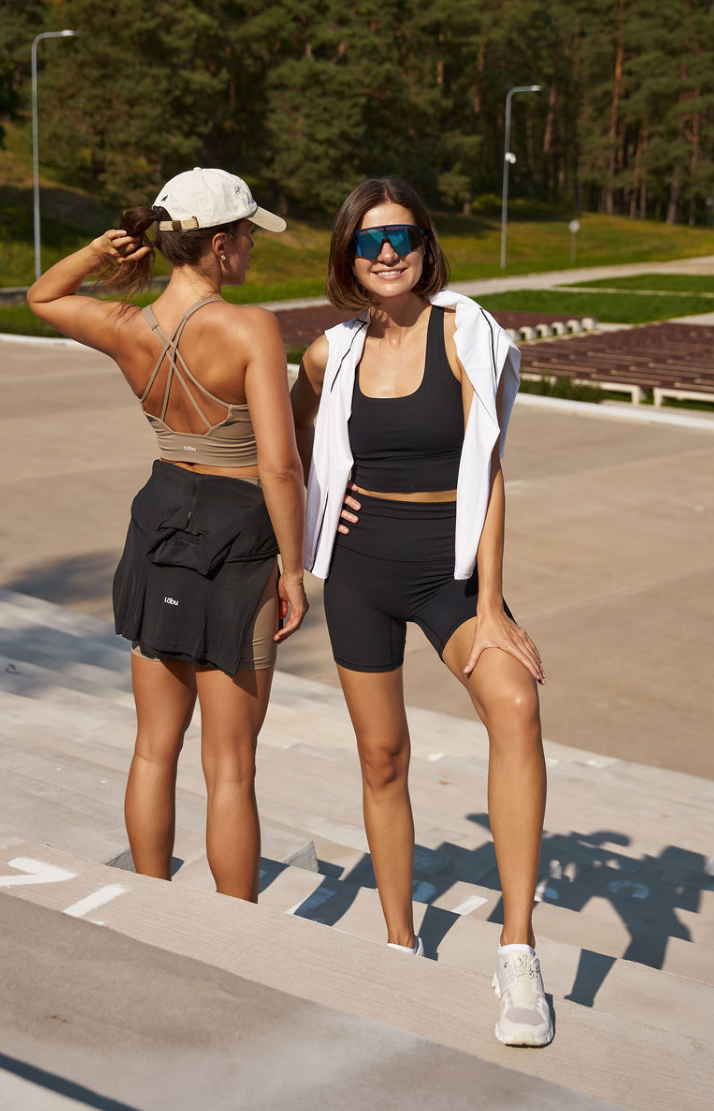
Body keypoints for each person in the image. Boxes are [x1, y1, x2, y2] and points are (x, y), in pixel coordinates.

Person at [291, 176, 553, 1047]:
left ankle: (516, 950)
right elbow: (296, 433)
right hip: (362, 570)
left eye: (400, 236)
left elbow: (493, 465)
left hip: (451, 571)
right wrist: (323, 506)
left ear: (424, 243)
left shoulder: (464, 329)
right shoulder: (330, 354)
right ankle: (399, 943)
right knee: (381, 756)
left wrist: (491, 604)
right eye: (368, 242)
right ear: (348, 257)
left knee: (515, 705)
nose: (387, 253)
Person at [28, 167, 306, 901]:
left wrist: (100, 252)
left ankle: (151, 904)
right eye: (246, 233)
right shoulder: (250, 328)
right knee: (231, 766)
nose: (251, 245)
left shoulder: (126, 327)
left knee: (154, 747)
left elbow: (42, 295)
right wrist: (295, 570)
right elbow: (278, 466)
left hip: (158, 521)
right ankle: (234, 930)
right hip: (237, 539)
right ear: (218, 245)